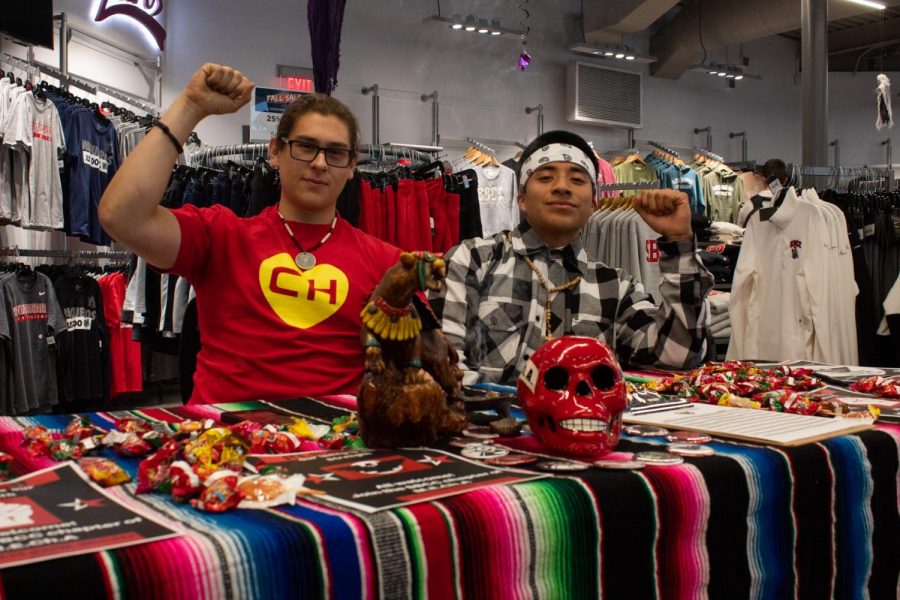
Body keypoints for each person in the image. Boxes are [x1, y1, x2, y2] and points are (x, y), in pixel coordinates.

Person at [99, 64, 401, 404]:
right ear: (274, 151)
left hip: (334, 446)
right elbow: (122, 216)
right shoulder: (221, 236)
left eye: (335, 153)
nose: (319, 163)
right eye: (305, 146)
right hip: (224, 442)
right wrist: (190, 106)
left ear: (350, 167)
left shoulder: (386, 263)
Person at [430, 130, 713, 386]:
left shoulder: (615, 287)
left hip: (584, 433)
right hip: (489, 434)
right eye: (545, 177)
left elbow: (677, 355)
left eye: (577, 179)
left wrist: (679, 246)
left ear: (594, 203)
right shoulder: (472, 261)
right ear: (522, 199)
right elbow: (443, 364)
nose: (562, 187)